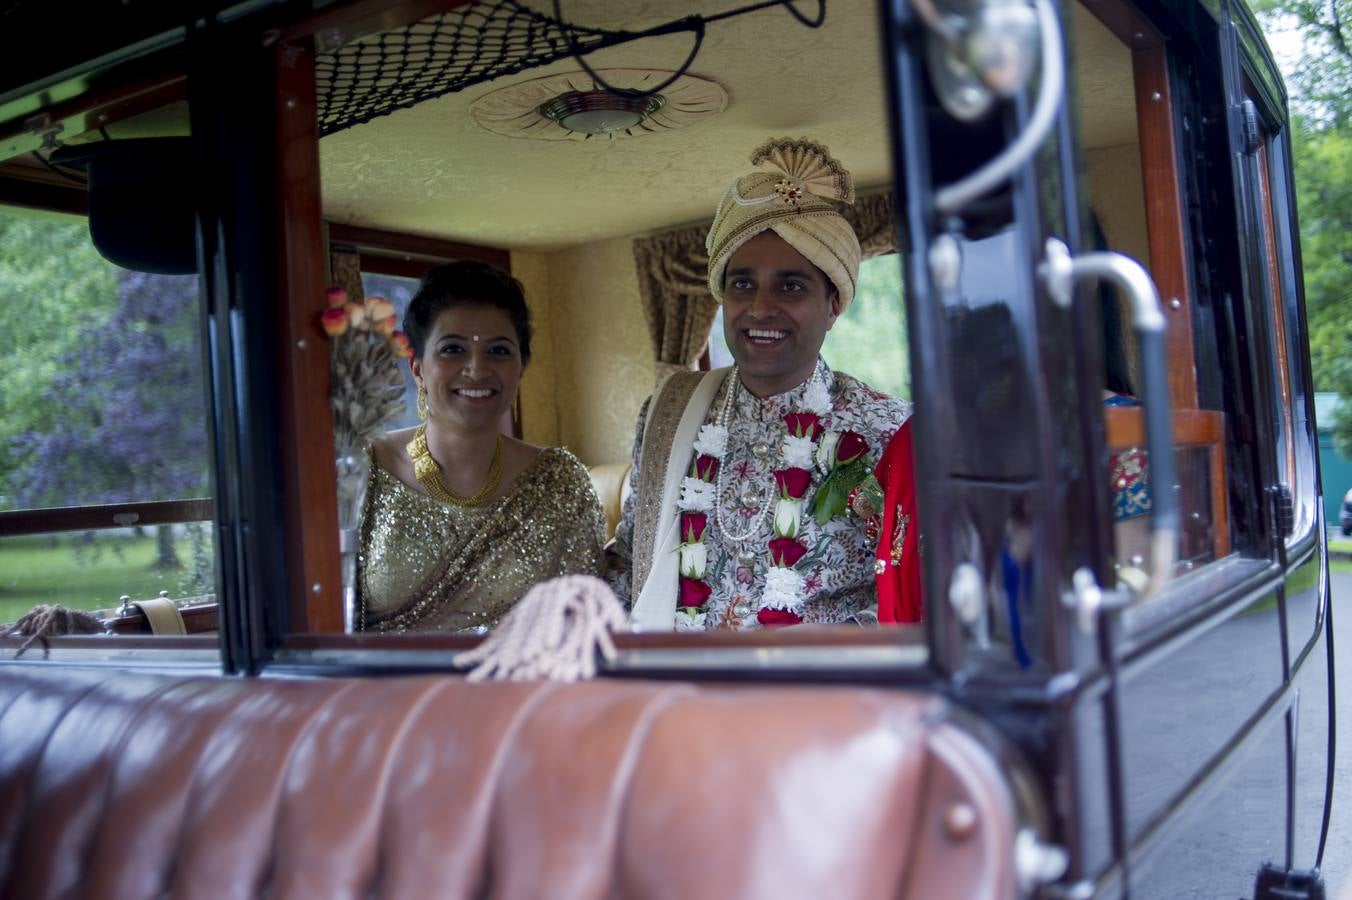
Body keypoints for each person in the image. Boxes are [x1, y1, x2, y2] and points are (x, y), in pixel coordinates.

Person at [608, 138, 911, 631]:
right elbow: (628, 566)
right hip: (680, 690)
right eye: (742, 284)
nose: (760, 307)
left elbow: (908, 595)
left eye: (791, 286)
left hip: (819, 697)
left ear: (834, 305)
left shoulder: (888, 429)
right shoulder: (670, 411)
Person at [357, 261, 605, 633]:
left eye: (499, 351)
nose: (476, 368)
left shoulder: (558, 482)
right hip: (387, 689)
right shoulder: (366, 469)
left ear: (521, 367)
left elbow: (582, 628)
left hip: (524, 688)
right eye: (453, 349)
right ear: (418, 368)